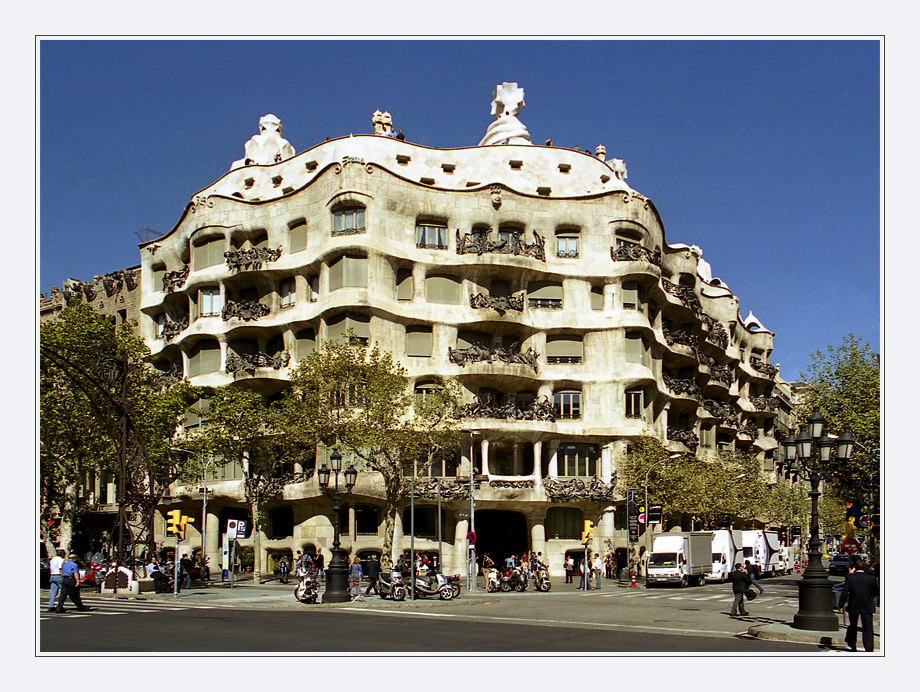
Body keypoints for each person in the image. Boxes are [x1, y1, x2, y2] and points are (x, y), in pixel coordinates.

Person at [837, 558, 879, 652]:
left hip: (854, 604)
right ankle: (869, 647)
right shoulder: (871, 578)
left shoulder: (850, 577)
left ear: (854, 567)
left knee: (853, 625)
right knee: (868, 627)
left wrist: (840, 605)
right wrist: (869, 597)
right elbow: (876, 591)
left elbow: (844, 592)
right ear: (865, 567)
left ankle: (852, 644)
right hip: (867, 605)